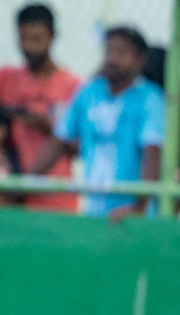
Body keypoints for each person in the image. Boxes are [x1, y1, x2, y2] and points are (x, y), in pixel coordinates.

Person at [0, 1, 80, 211]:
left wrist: (46, 126)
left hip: (57, 199)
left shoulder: (72, 87)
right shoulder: (7, 78)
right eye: (23, 38)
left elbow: (81, 148)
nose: (29, 47)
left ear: (53, 36)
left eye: (36, 39)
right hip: (13, 199)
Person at [36, 27, 164, 221]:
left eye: (121, 52)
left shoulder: (150, 98)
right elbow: (58, 140)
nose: (112, 59)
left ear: (140, 60)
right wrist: (24, 184)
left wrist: (139, 208)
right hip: (92, 213)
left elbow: (152, 153)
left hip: (132, 217)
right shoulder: (88, 92)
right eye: (109, 51)